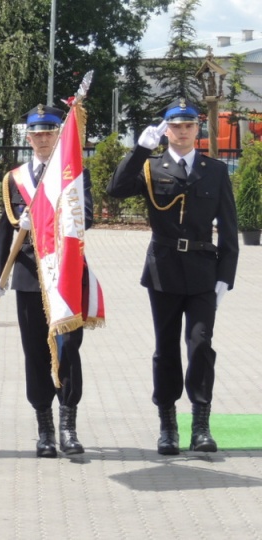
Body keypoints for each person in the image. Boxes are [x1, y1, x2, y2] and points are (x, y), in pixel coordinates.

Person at [108, 98, 238, 455]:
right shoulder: (151, 167)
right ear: (166, 129)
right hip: (162, 269)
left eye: (188, 125)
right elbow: (115, 188)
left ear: (198, 128)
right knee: (166, 349)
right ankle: (167, 425)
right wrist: (139, 150)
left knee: (200, 346)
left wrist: (226, 275)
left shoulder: (214, 170)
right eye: (175, 126)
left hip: (202, 270)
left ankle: (200, 424)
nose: (182, 131)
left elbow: (229, 227)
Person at [0, 105, 93, 458]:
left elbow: (87, 217)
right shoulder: (13, 178)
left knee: (68, 351)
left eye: (50, 132)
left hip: (64, 275)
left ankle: (68, 426)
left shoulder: (72, 173)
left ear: (58, 136)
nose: (43, 138)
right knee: (35, 353)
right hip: (28, 277)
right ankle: (45, 429)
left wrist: (49, 218)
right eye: (37, 133)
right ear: (28, 137)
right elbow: (6, 230)